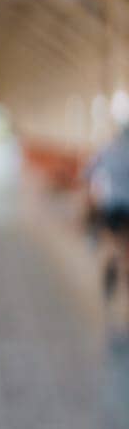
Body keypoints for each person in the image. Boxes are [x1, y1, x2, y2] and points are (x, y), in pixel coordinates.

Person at [85, 124, 129, 302]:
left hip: (111, 207)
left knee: (111, 245)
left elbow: (87, 173)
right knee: (126, 246)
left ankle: (111, 273)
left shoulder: (107, 150)